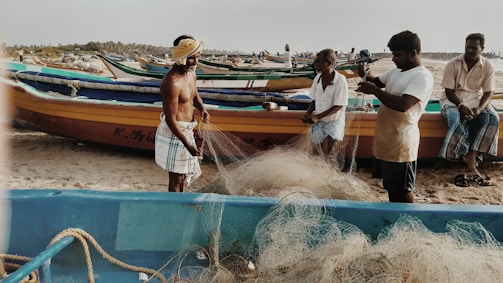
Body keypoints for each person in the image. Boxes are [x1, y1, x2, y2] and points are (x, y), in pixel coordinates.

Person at [356, 30, 434, 203]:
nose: (393, 59)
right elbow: (375, 81)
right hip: (385, 140)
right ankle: (395, 219)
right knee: (391, 187)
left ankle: (407, 221)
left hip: (402, 144)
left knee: (404, 190)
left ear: (413, 53)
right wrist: (363, 72)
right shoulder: (396, 71)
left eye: (397, 55)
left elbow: (403, 105)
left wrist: (375, 91)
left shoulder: (422, 77)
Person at [438, 33, 498, 187]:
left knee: (493, 119)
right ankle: (464, 154)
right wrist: (460, 106)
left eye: (474, 48)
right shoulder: (453, 63)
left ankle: (473, 153)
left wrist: (479, 109)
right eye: (467, 47)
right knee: (455, 119)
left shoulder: (488, 65)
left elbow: (488, 92)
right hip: (452, 100)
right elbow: (449, 91)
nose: (470, 50)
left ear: (482, 49)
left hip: (475, 99)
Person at [155, 35, 210, 192]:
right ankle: (173, 207)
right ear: (181, 57)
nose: (195, 62)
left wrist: (202, 108)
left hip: (187, 130)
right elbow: (171, 120)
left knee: (185, 175)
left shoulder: (191, 74)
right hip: (175, 132)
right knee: (176, 178)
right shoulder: (171, 83)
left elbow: (194, 93)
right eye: (191, 58)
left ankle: (178, 201)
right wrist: (188, 144)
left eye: (197, 57)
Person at [302, 48, 348, 162]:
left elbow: (339, 105)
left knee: (329, 152)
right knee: (316, 153)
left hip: (334, 122)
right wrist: (308, 113)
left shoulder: (340, 80)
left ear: (328, 63)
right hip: (319, 121)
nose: (315, 65)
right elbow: (314, 100)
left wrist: (317, 117)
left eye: (318, 62)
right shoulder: (317, 78)